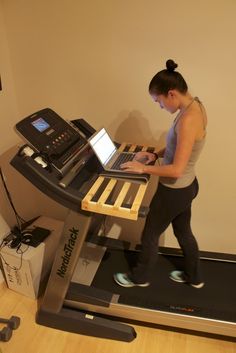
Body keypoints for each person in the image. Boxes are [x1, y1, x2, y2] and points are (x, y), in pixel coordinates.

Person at [114, 59, 207, 289]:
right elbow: (177, 145)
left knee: (150, 234)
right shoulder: (194, 105)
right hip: (188, 185)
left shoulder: (188, 120)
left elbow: (175, 168)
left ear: (171, 94)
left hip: (175, 189)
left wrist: (142, 168)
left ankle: (139, 278)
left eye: (159, 101)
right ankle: (195, 278)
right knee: (183, 231)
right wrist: (154, 155)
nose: (160, 106)